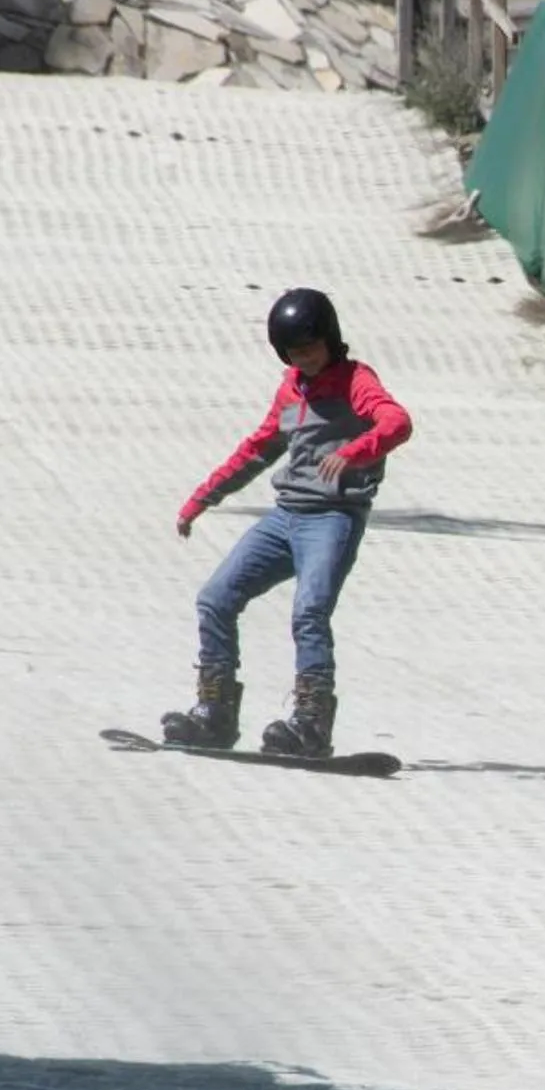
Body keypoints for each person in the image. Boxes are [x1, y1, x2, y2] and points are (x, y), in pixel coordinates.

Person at [160, 288, 413, 758]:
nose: (307, 360)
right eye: (296, 354)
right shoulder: (291, 389)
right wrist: (202, 499)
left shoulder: (356, 380)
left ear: (331, 340)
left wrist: (353, 451)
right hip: (285, 517)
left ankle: (311, 724)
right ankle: (215, 712)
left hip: (332, 519)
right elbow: (257, 449)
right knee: (216, 599)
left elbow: (396, 422)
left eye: (312, 349)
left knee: (309, 612)